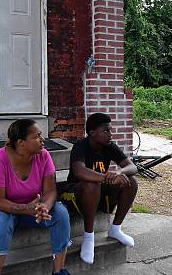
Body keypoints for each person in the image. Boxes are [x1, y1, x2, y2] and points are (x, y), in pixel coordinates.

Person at [0, 119, 79, 275]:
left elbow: (50, 191)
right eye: (37, 136)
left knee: (61, 212)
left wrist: (45, 208)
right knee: (1, 219)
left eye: (41, 135)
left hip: (31, 208)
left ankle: (58, 272)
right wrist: (27, 209)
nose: (42, 139)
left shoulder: (43, 156)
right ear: (21, 142)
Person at [59, 113, 138, 265]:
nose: (110, 134)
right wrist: (106, 178)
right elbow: (79, 172)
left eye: (110, 130)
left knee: (131, 182)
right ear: (92, 132)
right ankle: (89, 236)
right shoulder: (81, 146)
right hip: (74, 193)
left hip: (98, 192)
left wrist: (119, 173)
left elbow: (132, 166)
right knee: (91, 183)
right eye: (106, 131)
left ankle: (115, 229)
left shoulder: (109, 147)